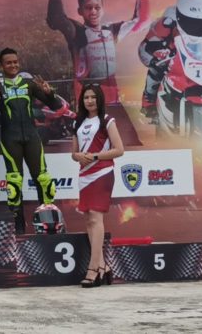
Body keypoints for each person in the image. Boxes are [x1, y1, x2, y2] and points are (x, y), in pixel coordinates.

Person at [46, 0, 151, 145]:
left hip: (114, 101)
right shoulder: (77, 32)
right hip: (90, 102)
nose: (93, 11)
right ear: (80, 11)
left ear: (103, 9)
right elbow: (55, 19)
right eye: (88, 8)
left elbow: (141, 20)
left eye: (97, 7)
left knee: (131, 145)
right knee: (93, 147)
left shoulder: (112, 31)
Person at [0, 48, 62, 233]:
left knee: (43, 179)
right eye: (8, 63)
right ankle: (18, 225)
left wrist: (49, 93)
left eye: (15, 62)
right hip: (10, 139)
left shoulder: (28, 84)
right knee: (14, 182)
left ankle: (48, 223)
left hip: (32, 137)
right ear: (1, 66)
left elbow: (56, 106)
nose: (13, 65)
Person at [72, 83, 124, 288]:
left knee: (95, 217)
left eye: (93, 97)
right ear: (82, 100)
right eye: (86, 97)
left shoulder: (107, 120)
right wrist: (78, 156)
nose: (90, 101)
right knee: (89, 220)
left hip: (102, 173)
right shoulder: (77, 122)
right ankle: (104, 266)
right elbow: (74, 152)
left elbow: (119, 149)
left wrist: (94, 156)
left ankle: (93, 269)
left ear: (99, 99)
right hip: (84, 174)